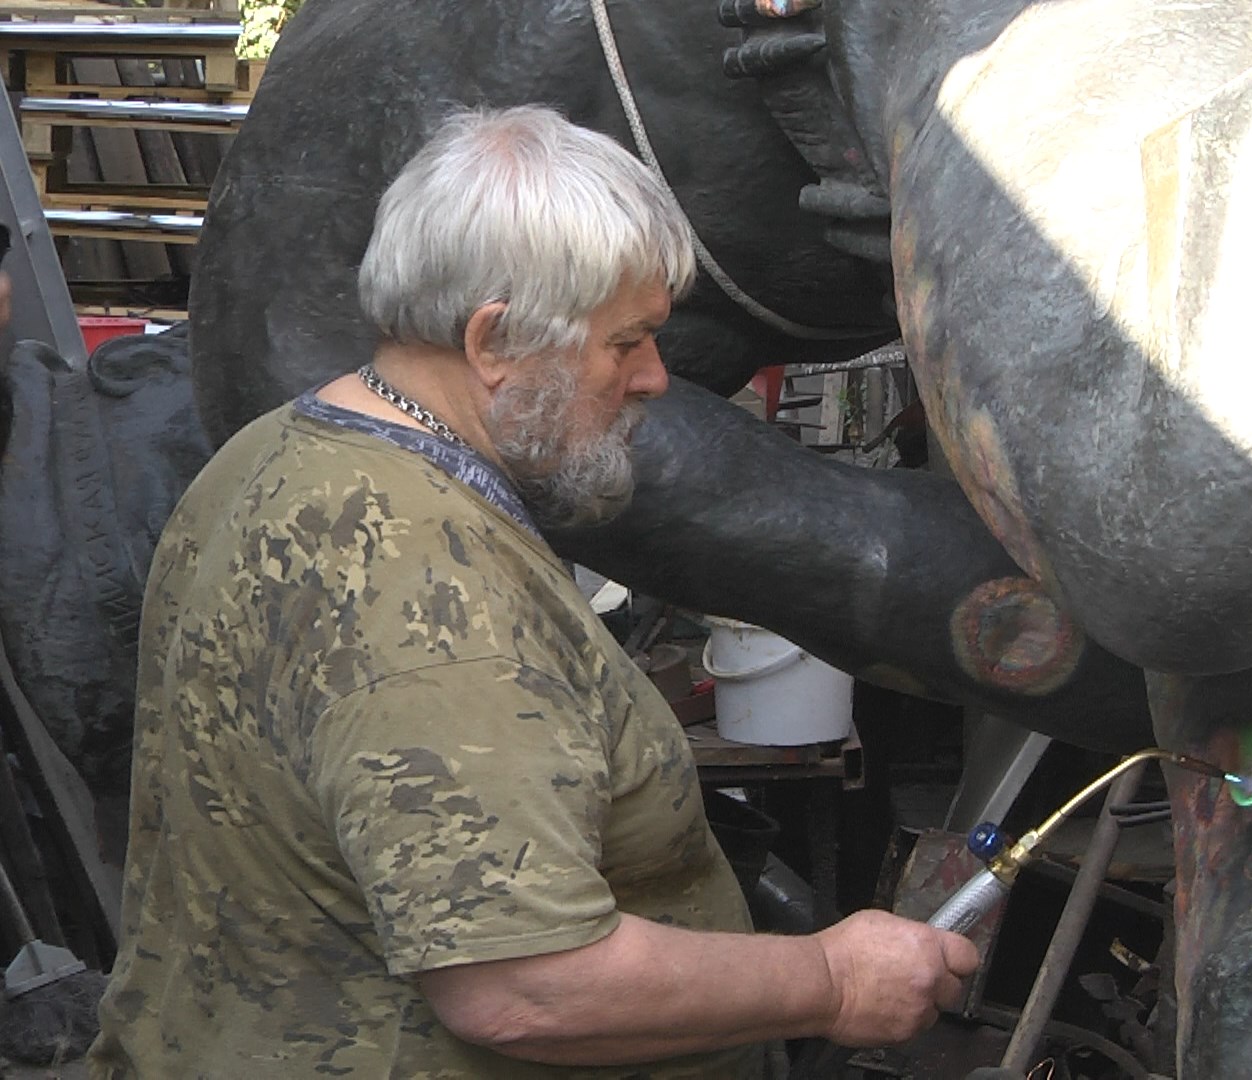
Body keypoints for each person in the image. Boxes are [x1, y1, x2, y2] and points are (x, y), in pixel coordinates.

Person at [88, 105, 978, 1078]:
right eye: (626, 342)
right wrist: (831, 981)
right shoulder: (422, 577)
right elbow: (520, 986)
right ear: (495, 339)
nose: (653, 379)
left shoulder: (275, 454)